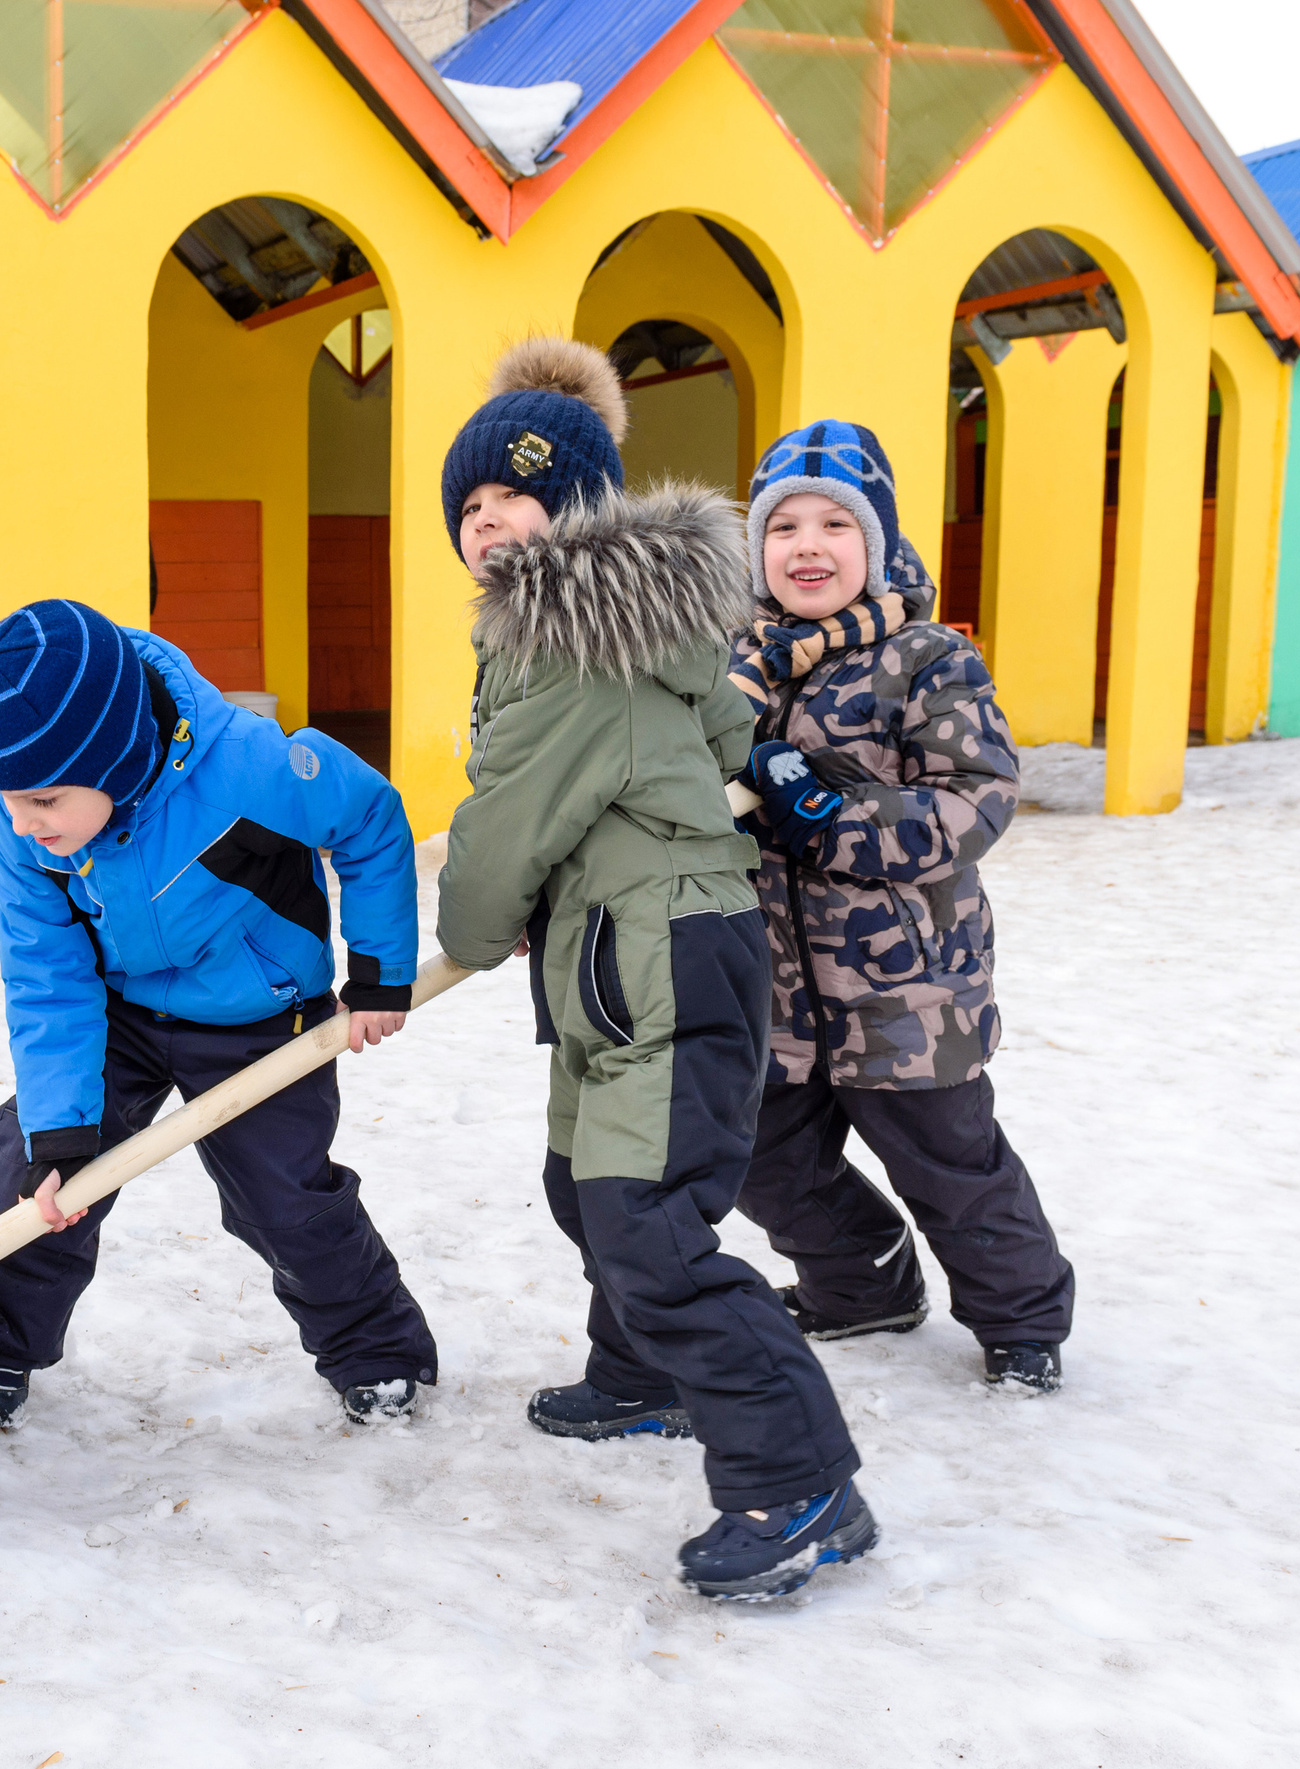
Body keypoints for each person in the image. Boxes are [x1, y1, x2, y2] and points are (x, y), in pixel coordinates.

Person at [432, 339, 875, 1602]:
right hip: (612, 950)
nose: (487, 524)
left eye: (514, 499)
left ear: (580, 509)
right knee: (589, 1186)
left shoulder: (563, 643)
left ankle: (800, 1482)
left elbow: (505, 820)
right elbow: (717, 711)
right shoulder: (632, 617)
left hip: (661, 952)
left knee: (649, 1223)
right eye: (468, 506)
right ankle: (642, 1375)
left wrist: (465, 934)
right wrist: (763, 756)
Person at [0, 597, 439, 1428]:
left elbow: (369, 816)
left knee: (284, 1197)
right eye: (7, 799)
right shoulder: (29, 827)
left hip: (259, 1013)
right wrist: (64, 1124)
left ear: (110, 758)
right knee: (38, 1175)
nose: (24, 823)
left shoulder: (248, 767)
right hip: (121, 1013)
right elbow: (45, 972)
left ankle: (378, 1351)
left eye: (43, 801)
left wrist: (381, 971)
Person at [725, 420, 1076, 1392]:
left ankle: (1022, 1319)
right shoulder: (729, 668)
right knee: (762, 1158)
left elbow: (976, 798)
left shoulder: (927, 660)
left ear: (873, 542)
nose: (806, 544)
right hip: (772, 990)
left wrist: (828, 814)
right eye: (782, 524)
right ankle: (860, 1281)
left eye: (834, 522)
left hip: (905, 988)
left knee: (952, 1168)